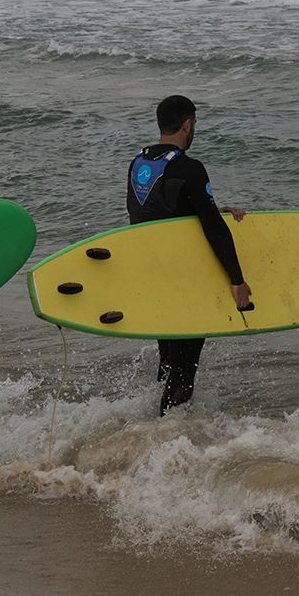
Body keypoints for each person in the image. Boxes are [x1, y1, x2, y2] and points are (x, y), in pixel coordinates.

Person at [127, 95, 252, 415]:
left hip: (152, 276)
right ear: (188, 123)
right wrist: (237, 280)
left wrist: (207, 207)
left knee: (169, 361)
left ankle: (153, 427)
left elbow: (150, 213)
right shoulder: (190, 167)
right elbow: (214, 229)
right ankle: (168, 437)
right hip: (184, 280)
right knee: (184, 370)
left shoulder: (138, 163)